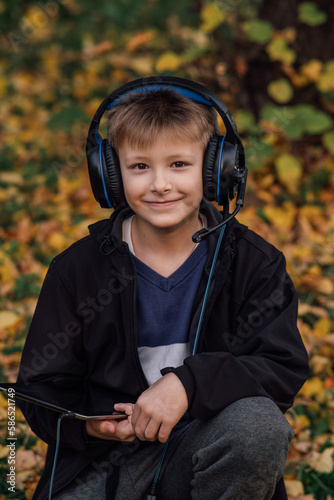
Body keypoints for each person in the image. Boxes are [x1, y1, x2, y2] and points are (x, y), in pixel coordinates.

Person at [17, 77, 309, 500]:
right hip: (105, 462)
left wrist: (189, 384)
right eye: (139, 166)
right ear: (110, 175)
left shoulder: (253, 262)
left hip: (202, 448)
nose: (160, 184)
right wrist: (87, 426)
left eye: (179, 164)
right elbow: (40, 387)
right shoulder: (76, 270)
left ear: (217, 171)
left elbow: (281, 366)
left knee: (258, 425)